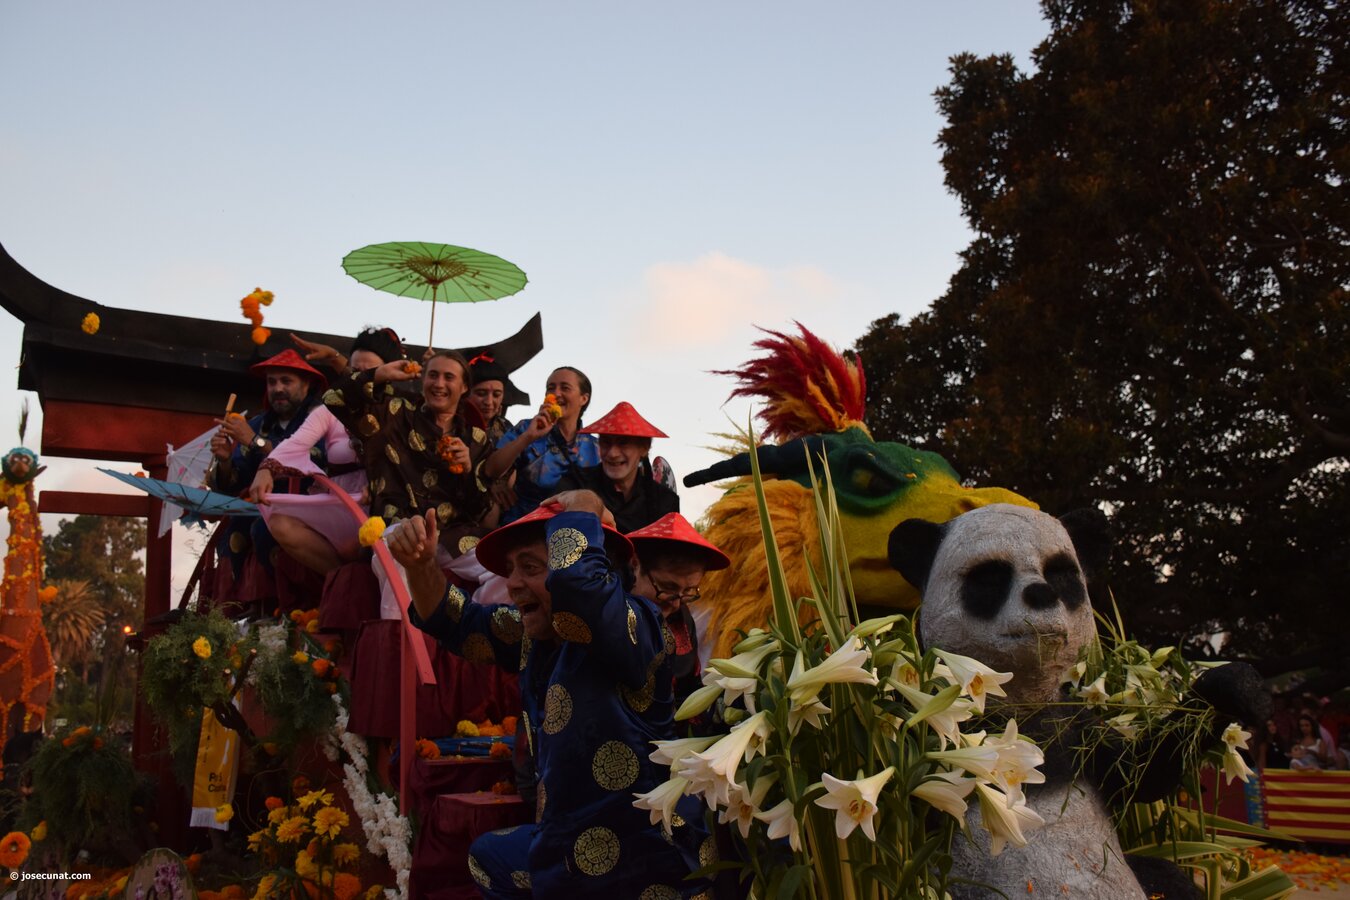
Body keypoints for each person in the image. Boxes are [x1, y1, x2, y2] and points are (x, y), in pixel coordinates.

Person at [388, 491, 714, 898]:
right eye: (511, 568)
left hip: (645, 861)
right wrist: (420, 565)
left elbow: (580, 590)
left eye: (530, 567)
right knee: (489, 857)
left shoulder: (643, 626)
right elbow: (458, 621)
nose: (511, 583)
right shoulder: (537, 636)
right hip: (565, 850)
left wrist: (586, 503)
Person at [322, 349, 492, 618]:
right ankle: (401, 649)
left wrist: (468, 469)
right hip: (399, 523)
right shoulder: (396, 414)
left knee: (503, 568)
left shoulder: (478, 439)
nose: (439, 384)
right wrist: (381, 373)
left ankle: (472, 640)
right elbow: (335, 399)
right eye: (432, 375)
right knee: (399, 550)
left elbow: (479, 508)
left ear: (464, 386)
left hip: (452, 537)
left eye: (449, 377)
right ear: (422, 379)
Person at [246, 328, 407, 576]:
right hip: (340, 503)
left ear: (391, 374)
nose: (359, 378)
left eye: (370, 373)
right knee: (279, 523)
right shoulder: (331, 409)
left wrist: (382, 485)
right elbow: (296, 442)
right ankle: (343, 579)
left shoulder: (404, 412)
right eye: (353, 371)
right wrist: (267, 468)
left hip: (385, 506)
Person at [209, 349, 328, 584]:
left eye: (286, 381)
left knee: (264, 530)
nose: (278, 388)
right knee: (231, 533)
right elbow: (236, 481)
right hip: (264, 506)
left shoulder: (321, 417)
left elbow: (316, 458)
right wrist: (224, 460)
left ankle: (291, 606)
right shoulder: (257, 424)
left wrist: (256, 442)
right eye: (271, 382)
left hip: (312, 504)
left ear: (307, 385)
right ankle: (242, 608)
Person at [626, 512, 730, 711]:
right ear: (635, 565)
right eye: (668, 588)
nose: (675, 604)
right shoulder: (610, 612)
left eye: (689, 591)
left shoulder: (682, 619)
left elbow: (688, 690)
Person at [484, 367, 599, 525]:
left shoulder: (596, 448)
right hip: (526, 526)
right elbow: (491, 470)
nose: (556, 393)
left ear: (583, 399)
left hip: (576, 531)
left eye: (565, 388)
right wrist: (528, 437)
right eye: (550, 388)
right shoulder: (526, 428)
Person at [553, 402, 681, 533]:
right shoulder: (575, 483)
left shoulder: (664, 501)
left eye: (623, 443)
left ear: (644, 448)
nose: (612, 453)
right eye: (606, 443)